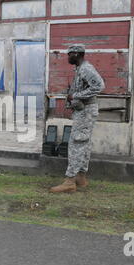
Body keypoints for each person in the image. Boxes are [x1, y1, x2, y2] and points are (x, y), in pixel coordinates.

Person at [50, 45, 105, 194]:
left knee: (76, 144)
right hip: (84, 111)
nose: (67, 57)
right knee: (84, 144)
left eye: (70, 54)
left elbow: (99, 85)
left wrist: (75, 96)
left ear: (77, 54)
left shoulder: (86, 69)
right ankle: (81, 177)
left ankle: (69, 181)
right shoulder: (80, 68)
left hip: (85, 111)